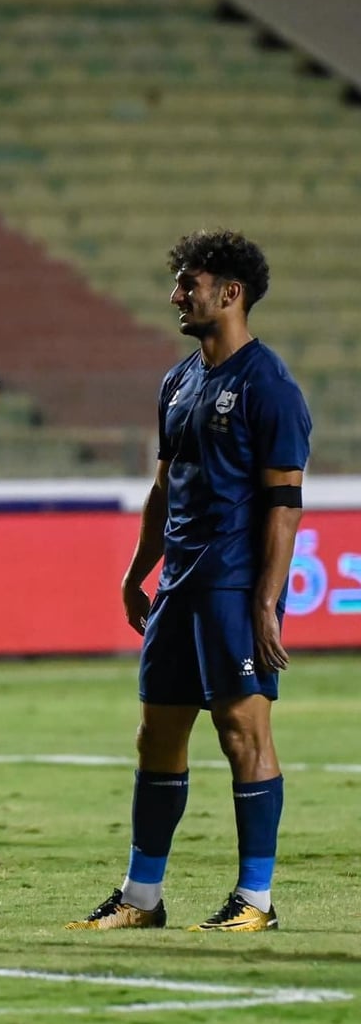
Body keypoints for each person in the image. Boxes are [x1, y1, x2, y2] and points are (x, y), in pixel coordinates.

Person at [66, 229, 311, 933]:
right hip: (178, 583)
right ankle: (142, 897)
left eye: (189, 284)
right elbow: (162, 487)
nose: (176, 295)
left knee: (243, 731)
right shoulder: (179, 382)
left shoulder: (269, 386)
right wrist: (136, 572)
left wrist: (267, 601)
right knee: (157, 734)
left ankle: (255, 900)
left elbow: (285, 505)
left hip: (233, 585)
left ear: (230, 294)